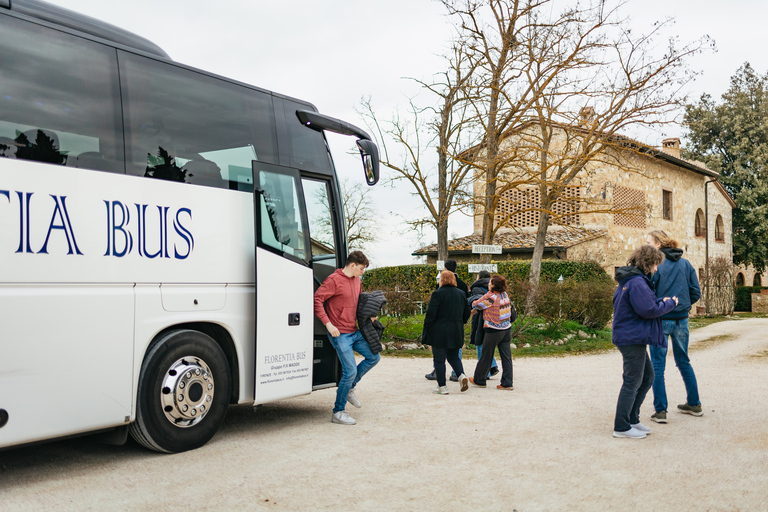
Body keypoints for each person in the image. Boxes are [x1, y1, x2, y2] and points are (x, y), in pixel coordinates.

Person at [612, 245, 677, 439]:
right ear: (648, 263)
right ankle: (621, 427)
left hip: (631, 336)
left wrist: (659, 301)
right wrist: (669, 303)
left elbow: (644, 305)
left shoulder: (632, 281)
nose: (657, 269)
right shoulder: (637, 282)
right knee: (632, 381)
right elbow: (648, 310)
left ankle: (632, 419)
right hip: (631, 337)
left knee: (647, 377)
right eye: (656, 264)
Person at [313, 251, 380, 425]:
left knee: (374, 357)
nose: (363, 271)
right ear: (352, 265)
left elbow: (358, 303)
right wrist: (328, 324)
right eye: (362, 268)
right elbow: (317, 300)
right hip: (339, 334)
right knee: (349, 371)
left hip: (354, 331)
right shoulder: (333, 280)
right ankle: (338, 412)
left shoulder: (357, 281)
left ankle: (350, 387)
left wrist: (370, 316)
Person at [646, 230, 703, 423]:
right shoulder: (686, 264)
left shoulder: (656, 266)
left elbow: (649, 292)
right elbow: (696, 292)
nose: (647, 246)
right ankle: (694, 404)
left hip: (660, 320)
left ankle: (661, 411)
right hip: (681, 320)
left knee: (658, 366)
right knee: (683, 361)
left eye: (649, 243)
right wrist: (684, 306)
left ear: (659, 245)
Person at [422, 270, 471, 394]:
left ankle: (442, 386)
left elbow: (431, 313)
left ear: (442, 280)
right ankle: (461, 375)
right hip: (456, 329)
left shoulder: (437, 294)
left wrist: (427, 326)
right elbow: (466, 312)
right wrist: (461, 322)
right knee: (453, 356)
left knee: (439, 359)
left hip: (440, 330)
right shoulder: (461, 293)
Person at [470, 274, 516, 390]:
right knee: (506, 357)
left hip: (493, 330)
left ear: (494, 285)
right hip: (506, 329)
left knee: (486, 355)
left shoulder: (491, 296)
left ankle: (479, 380)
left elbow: (476, 304)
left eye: (490, 282)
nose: (488, 284)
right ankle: (507, 383)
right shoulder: (505, 294)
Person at [467, 270, 499, 378]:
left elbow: (478, 302)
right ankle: (493, 366)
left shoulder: (476, 288)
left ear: (479, 277)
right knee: (488, 344)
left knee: (480, 343)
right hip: (494, 317)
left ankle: (486, 373)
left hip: (481, 317)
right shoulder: (494, 287)